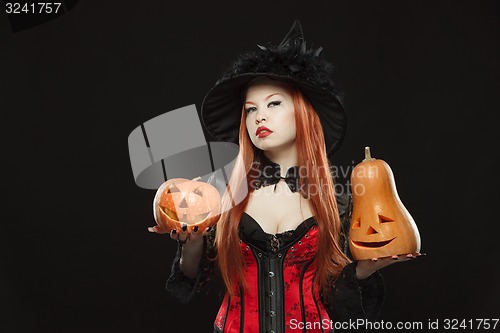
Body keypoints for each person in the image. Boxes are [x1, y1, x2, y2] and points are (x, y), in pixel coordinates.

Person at [148, 20, 421, 333]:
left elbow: (336, 298)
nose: (259, 116)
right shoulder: (221, 193)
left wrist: (363, 270)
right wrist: (192, 243)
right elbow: (190, 277)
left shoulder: (338, 199)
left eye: (274, 103)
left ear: (304, 112)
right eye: (250, 109)